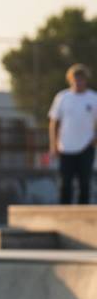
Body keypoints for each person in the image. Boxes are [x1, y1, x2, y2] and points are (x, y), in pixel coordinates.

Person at [49, 64, 97, 205]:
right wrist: (53, 145)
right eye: (75, 80)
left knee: (84, 183)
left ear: (85, 80)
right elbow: (54, 122)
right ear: (70, 80)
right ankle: (64, 214)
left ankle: (83, 215)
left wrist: (94, 138)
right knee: (65, 183)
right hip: (65, 147)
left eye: (81, 80)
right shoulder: (63, 97)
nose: (78, 83)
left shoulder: (93, 98)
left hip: (86, 146)